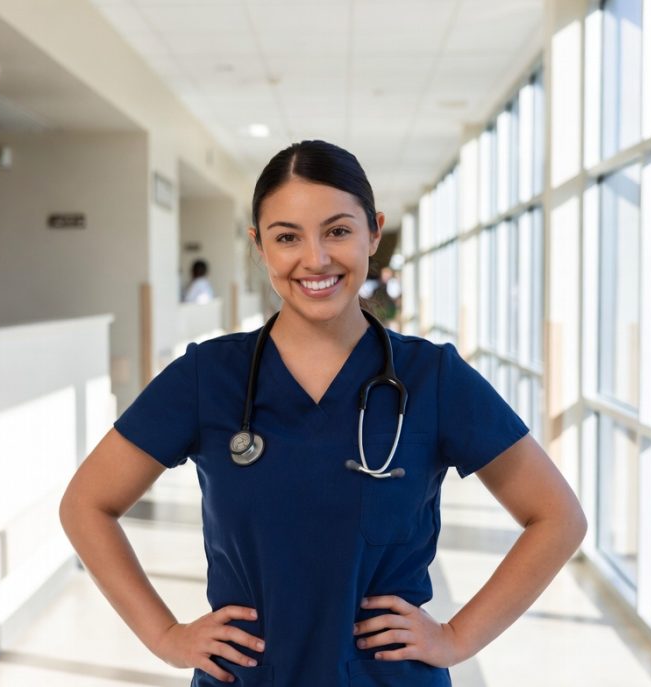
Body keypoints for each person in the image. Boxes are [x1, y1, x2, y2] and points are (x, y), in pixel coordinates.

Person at [59, 140, 587, 686]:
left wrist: (457, 637)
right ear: (259, 246)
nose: (315, 259)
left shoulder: (433, 378)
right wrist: (166, 636)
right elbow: (86, 504)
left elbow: (558, 518)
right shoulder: (207, 377)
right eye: (287, 237)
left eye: (337, 231)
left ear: (373, 233)